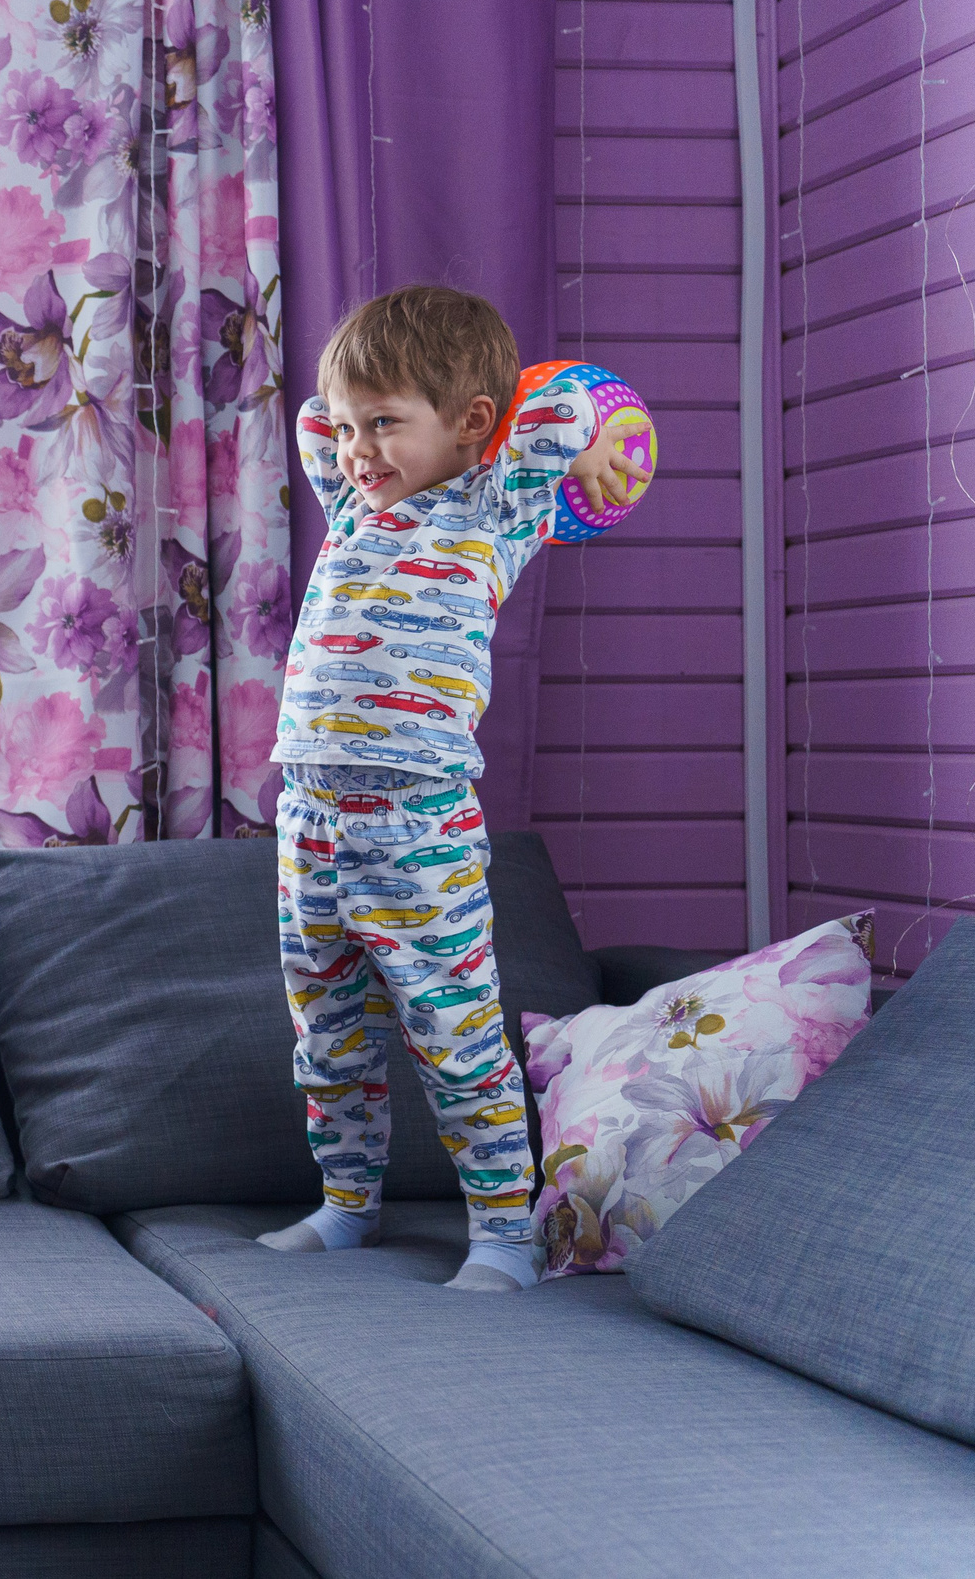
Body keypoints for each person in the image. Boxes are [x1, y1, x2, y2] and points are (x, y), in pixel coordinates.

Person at [257, 286, 643, 1292]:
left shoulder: (492, 507)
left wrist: (539, 437)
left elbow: (565, 411)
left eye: (384, 424)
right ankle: (348, 1206)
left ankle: (505, 1233)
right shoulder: (353, 503)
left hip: (415, 823)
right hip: (310, 823)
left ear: (472, 422)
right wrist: (364, 416)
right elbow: (313, 420)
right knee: (327, 1038)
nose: (356, 449)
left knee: (453, 1034)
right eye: (353, 429)